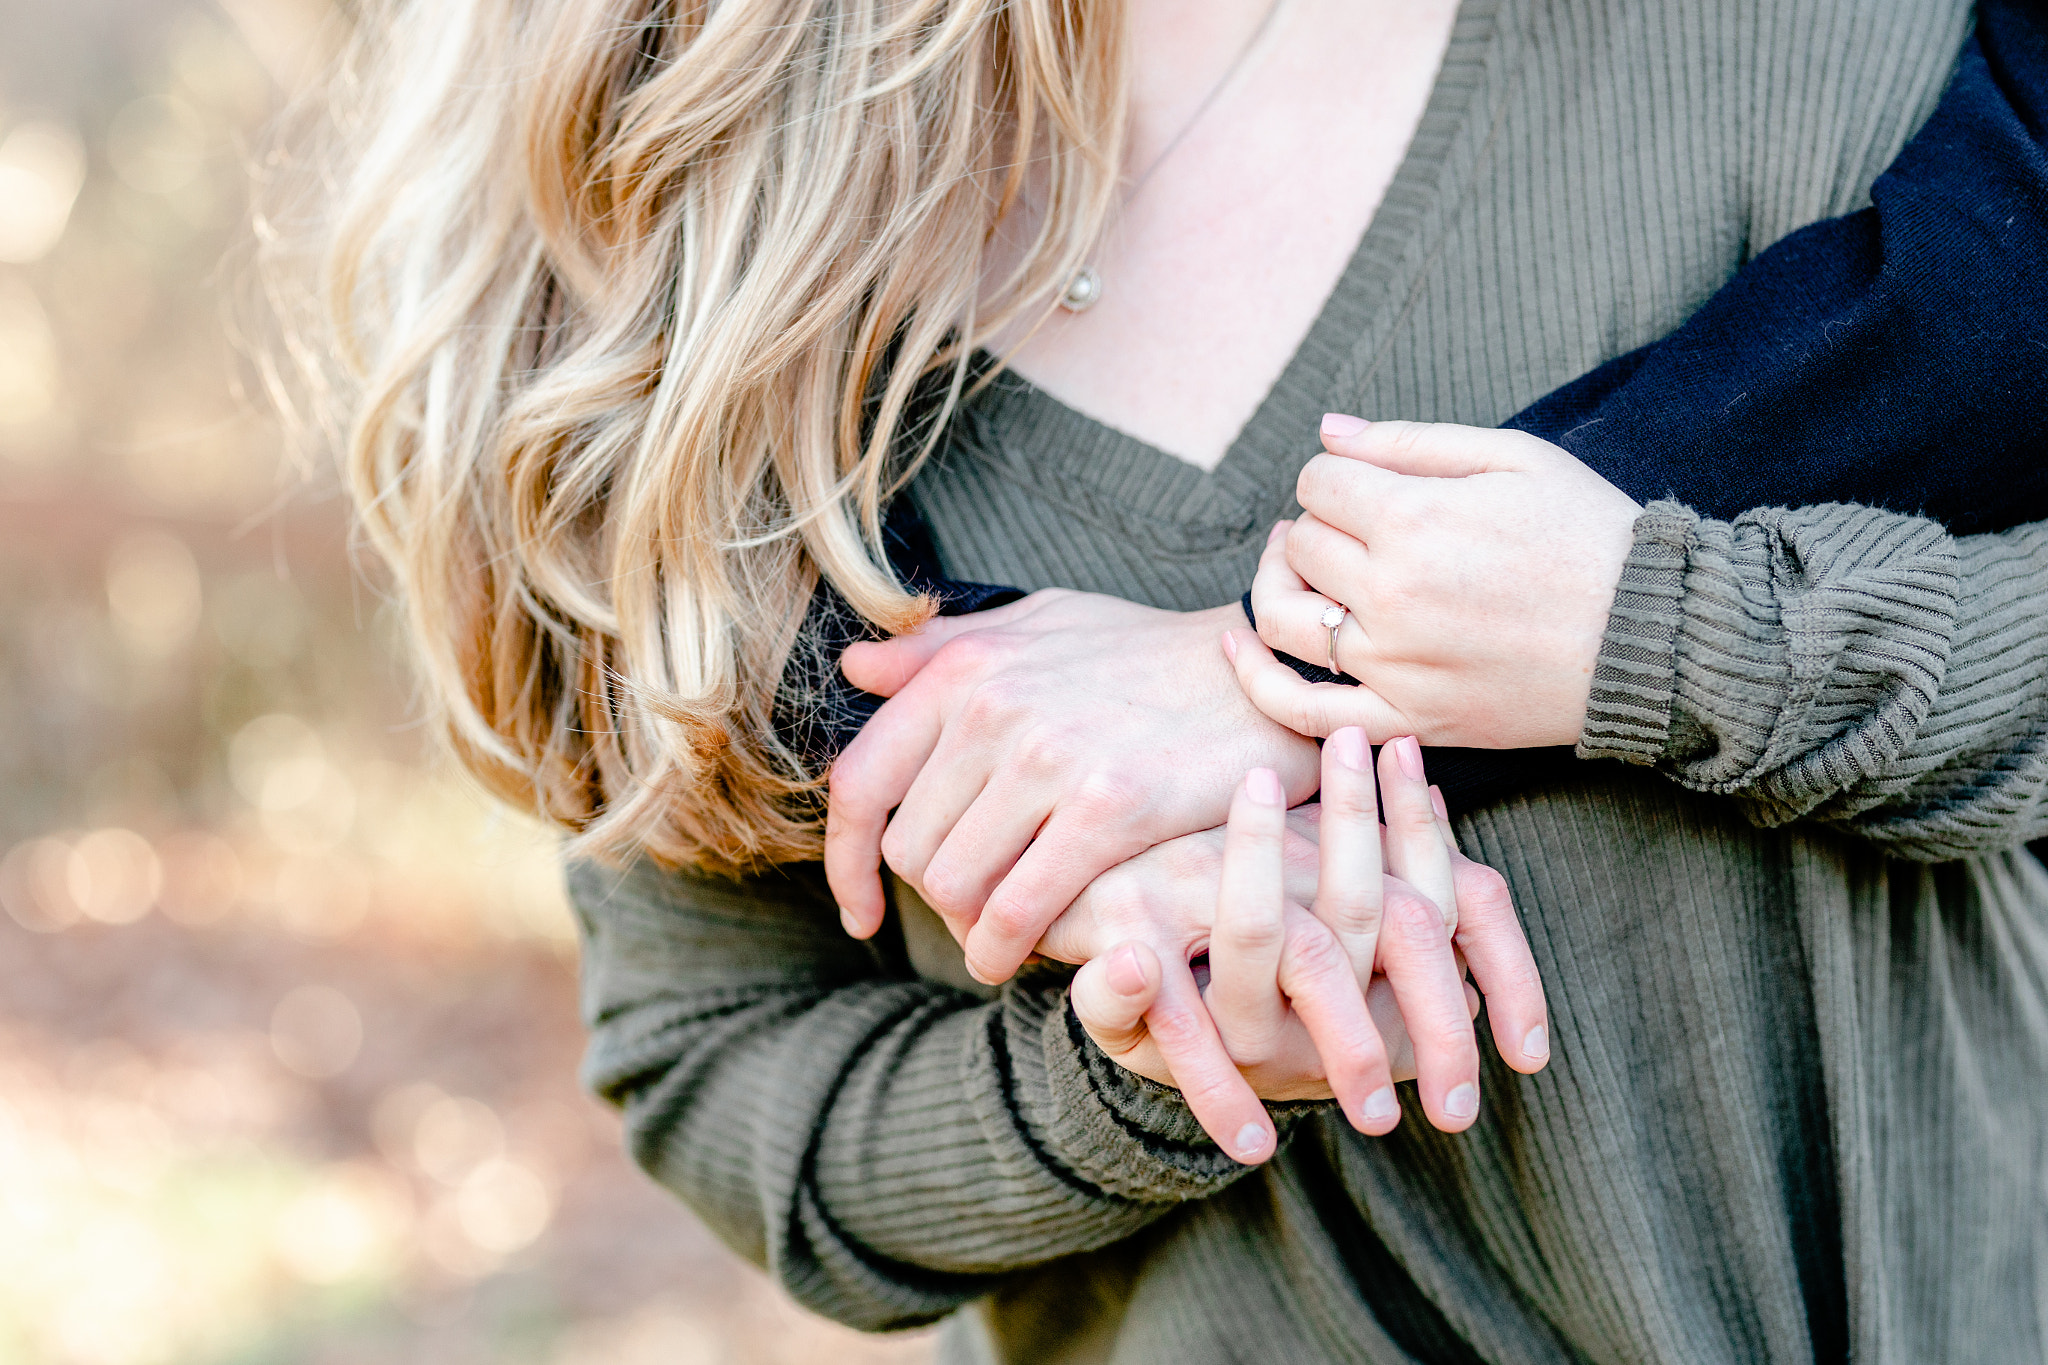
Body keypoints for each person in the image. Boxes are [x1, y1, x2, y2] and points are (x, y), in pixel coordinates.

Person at [293, 0, 2048, 1361]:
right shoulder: (693, 256)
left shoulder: (1797, 44)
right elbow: (716, 1056)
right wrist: (1141, 1071)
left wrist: (1648, 631)